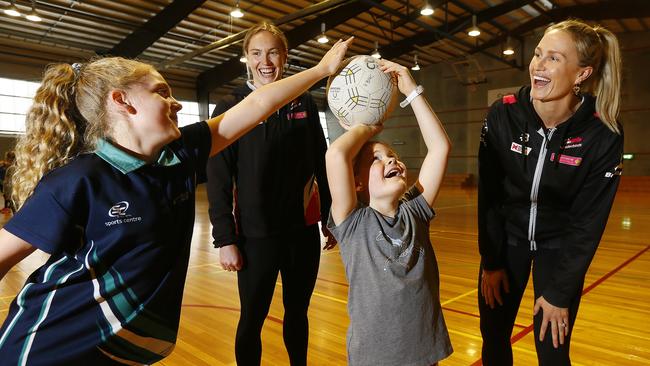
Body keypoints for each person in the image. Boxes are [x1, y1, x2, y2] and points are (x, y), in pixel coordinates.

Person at [0, 36, 352, 365]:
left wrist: (321, 70)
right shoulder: (79, 180)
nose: (177, 101)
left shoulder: (182, 154)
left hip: (121, 353)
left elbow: (258, 104)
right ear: (121, 101)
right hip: (47, 347)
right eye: (162, 92)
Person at [477, 19, 624, 366]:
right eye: (539, 54)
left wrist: (559, 292)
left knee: (553, 352)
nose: (538, 65)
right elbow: (489, 197)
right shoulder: (503, 113)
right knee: (494, 338)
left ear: (581, 74)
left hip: (558, 250)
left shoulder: (602, 133)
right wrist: (492, 260)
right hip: (508, 243)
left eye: (554, 59)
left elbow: (588, 223)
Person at [206, 22, 336, 366]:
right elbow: (218, 178)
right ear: (246, 58)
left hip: (300, 233)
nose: (266, 61)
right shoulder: (230, 106)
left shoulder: (304, 103)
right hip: (255, 236)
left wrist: (330, 217)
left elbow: (322, 163)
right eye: (256, 53)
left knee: (298, 314)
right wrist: (225, 239)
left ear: (286, 57)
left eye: (273, 52)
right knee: (252, 318)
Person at [326, 59, 453, 366]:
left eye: (393, 155)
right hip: (375, 357)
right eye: (377, 158)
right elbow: (336, 154)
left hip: (424, 353)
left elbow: (440, 148)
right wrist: (367, 124)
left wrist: (412, 91)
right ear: (356, 182)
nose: (391, 160)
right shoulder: (353, 222)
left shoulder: (415, 211)